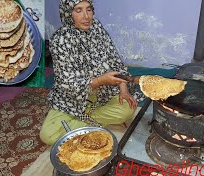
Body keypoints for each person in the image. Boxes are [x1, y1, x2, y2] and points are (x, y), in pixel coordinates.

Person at [40, 0, 144, 145]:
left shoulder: (96, 27)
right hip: (73, 97)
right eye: (78, 10)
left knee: (127, 110)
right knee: (47, 135)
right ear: (68, 13)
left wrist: (123, 88)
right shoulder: (59, 40)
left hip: (104, 92)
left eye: (89, 9)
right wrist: (100, 80)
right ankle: (92, 121)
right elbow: (67, 84)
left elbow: (114, 59)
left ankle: (83, 121)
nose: (86, 16)